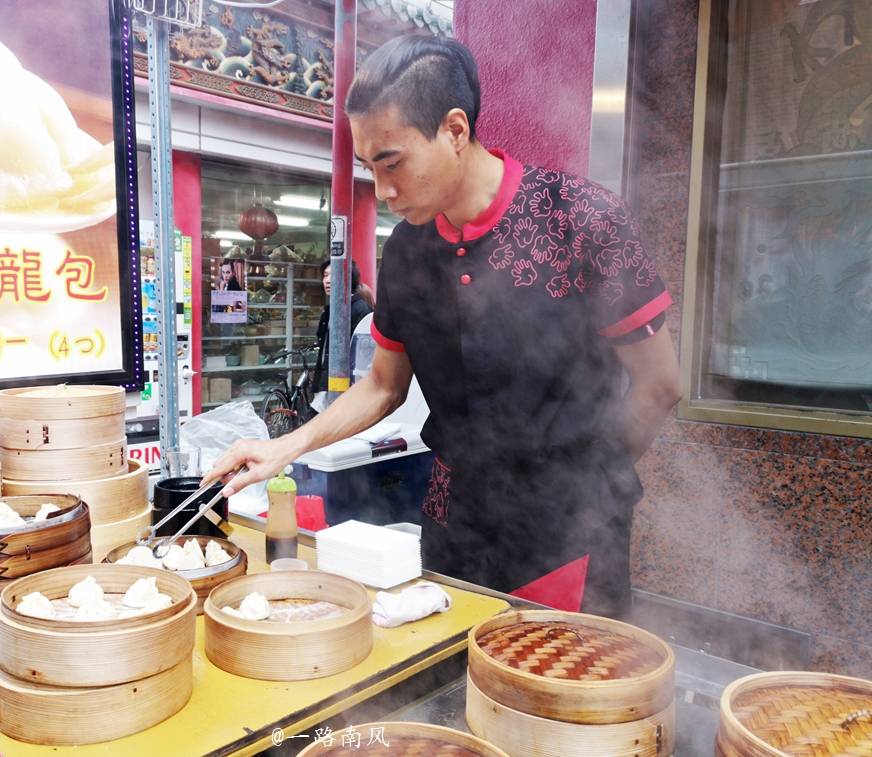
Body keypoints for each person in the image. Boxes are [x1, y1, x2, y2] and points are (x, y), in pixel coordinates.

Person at [204, 35, 680, 618]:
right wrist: (284, 447)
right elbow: (383, 385)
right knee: (447, 688)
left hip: (568, 538)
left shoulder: (579, 221)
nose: (382, 192)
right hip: (453, 529)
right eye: (369, 169)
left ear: (455, 130)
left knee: (555, 697)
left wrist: (586, 480)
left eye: (393, 162)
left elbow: (661, 385)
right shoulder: (407, 249)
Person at [314, 259, 373, 391]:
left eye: (333, 275)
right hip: (327, 384)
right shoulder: (329, 311)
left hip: (350, 386)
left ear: (348, 278)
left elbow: (365, 355)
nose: (327, 280)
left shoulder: (360, 310)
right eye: (325, 275)